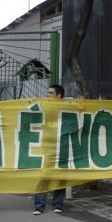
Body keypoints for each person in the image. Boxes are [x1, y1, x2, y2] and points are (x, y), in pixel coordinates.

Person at [34, 84, 67, 214]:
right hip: (47, 147)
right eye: (48, 93)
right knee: (43, 176)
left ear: (59, 95)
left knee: (60, 176)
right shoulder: (44, 106)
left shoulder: (67, 107)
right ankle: (39, 206)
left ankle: (58, 204)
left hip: (62, 147)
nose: (48, 95)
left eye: (51, 93)